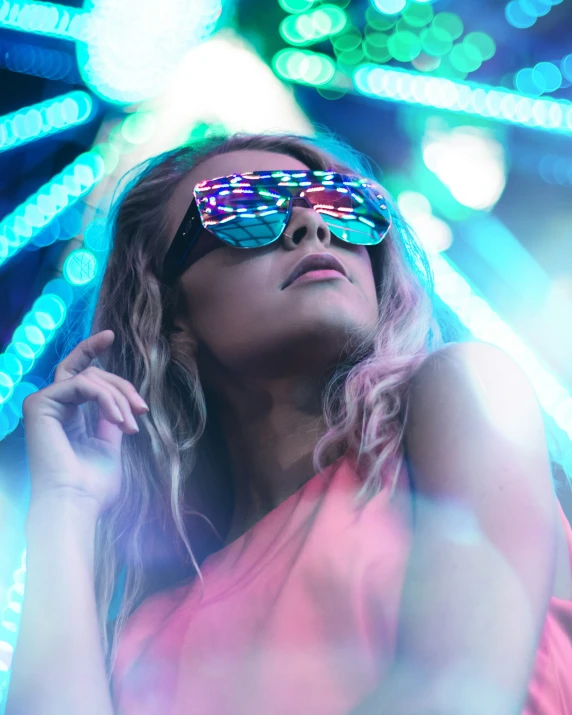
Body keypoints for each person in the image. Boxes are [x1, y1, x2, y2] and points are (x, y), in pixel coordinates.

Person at [6, 131, 572, 715]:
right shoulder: (143, 634)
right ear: (171, 312)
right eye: (245, 210)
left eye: (344, 207)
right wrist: (64, 504)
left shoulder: (465, 392)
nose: (312, 225)